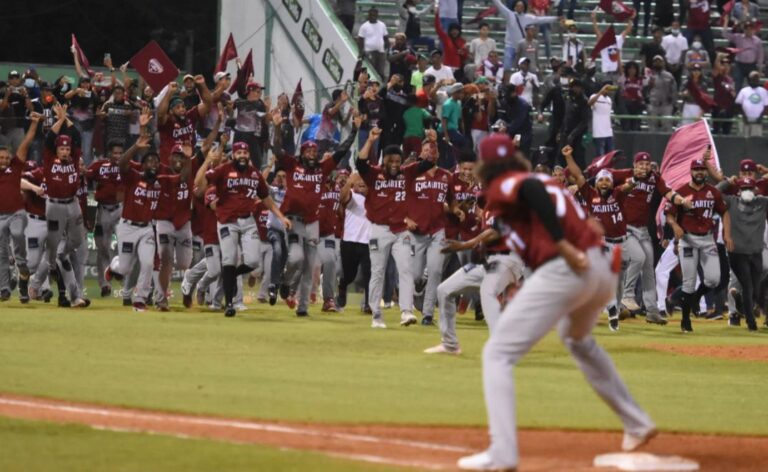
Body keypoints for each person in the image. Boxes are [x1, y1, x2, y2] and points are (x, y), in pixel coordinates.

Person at [456, 133, 657, 471]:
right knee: (577, 340)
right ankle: (636, 422)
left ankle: (502, 453)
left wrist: (562, 245)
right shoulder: (546, 181)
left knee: (497, 353)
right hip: (599, 266)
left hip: (566, 267)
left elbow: (531, 198)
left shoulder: (509, 183)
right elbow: (576, 218)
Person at [271, 112, 360, 316]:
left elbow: (341, 150)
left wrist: (354, 130)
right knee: (296, 258)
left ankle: (302, 308)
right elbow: (277, 149)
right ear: (302, 153)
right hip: (293, 220)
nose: (312, 153)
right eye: (308, 150)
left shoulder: (322, 169)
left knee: (309, 265)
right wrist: (276, 128)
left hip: (312, 223)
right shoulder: (293, 165)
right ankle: (285, 282)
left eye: (314, 150)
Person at [194, 141, 290, 317]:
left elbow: (266, 198)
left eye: (245, 153)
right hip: (227, 221)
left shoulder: (254, 174)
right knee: (229, 260)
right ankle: (229, 303)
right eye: (239, 153)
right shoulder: (223, 169)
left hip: (248, 221)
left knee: (253, 263)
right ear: (233, 156)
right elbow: (199, 184)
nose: (243, 156)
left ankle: (228, 277)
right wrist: (207, 161)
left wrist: (281, 216)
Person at [356, 128, 431, 328]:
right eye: (392, 161)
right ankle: (376, 314)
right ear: (385, 161)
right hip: (379, 230)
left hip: (401, 231)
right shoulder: (373, 174)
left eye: (398, 161)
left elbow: (429, 162)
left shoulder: (407, 173)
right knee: (378, 271)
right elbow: (360, 162)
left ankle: (406, 311)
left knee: (405, 269)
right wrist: (370, 141)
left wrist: (432, 143)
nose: (396, 165)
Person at [611, 152, 691, 324]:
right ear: (634, 165)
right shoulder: (625, 174)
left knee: (649, 270)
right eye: (640, 164)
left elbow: (668, 192)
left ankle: (652, 311)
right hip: (625, 228)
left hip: (643, 230)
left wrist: (681, 200)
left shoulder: (654, 178)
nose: (644, 167)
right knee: (638, 258)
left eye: (647, 164)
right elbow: (603, 178)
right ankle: (627, 296)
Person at [564, 147, 635, 331]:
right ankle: (611, 309)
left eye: (607, 180)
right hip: (602, 242)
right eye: (601, 180)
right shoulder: (590, 194)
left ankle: (613, 306)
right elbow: (578, 175)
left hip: (621, 243)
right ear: (596, 183)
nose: (604, 183)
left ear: (611, 184)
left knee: (618, 280)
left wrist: (635, 179)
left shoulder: (617, 194)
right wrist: (568, 156)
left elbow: (629, 185)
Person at [666, 157, 731, 333]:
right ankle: (685, 320)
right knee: (689, 282)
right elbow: (669, 214)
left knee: (713, 279)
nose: (700, 172)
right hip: (687, 239)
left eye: (702, 169)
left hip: (707, 239)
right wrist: (675, 225)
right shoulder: (680, 191)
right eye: (696, 169)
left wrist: (727, 234)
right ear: (691, 171)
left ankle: (695, 298)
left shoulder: (713, 192)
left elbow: (725, 212)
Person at [403, 139, 457, 326]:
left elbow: (451, 200)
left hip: (437, 231)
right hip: (417, 232)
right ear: (420, 153)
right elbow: (398, 199)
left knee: (435, 271)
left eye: (432, 150)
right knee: (417, 275)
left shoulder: (446, 176)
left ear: (438, 154)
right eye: (425, 150)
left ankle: (427, 314)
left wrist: (457, 209)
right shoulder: (411, 173)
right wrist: (405, 219)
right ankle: (418, 289)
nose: (429, 153)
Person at [43, 104, 89, 308]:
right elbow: (47, 139)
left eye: (67, 148)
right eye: (61, 148)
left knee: (77, 241)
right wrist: (60, 120)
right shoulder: (48, 159)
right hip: (53, 206)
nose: (64, 151)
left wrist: (66, 117)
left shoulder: (74, 159)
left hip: (72, 205)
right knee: (53, 250)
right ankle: (72, 295)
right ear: (56, 149)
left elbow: (77, 136)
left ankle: (44, 278)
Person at [716, 177, 768, 331]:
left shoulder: (763, 202)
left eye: (750, 188)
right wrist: (727, 182)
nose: (747, 191)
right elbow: (712, 192)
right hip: (737, 253)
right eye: (744, 188)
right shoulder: (731, 201)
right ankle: (751, 323)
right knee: (748, 285)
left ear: (756, 190)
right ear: (738, 190)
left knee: (756, 288)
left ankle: (741, 305)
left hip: (756, 252)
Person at [0, 112, 38, 303]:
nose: (5, 160)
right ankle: (4, 289)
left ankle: (22, 266)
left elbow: (26, 143)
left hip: (16, 213)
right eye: (1, 157)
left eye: (7, 157)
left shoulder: (15, 167)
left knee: (16, 235)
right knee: (1, 253)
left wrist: (34, 123)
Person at [86, 140, 124, 297]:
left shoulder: (127, 165)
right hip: (103, 210)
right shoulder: (99, 166)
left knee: (125, 244)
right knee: (103, 248)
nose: (118, 156)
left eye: (120, 153)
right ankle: (104, 284)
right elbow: (86, 177)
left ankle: (122, 275)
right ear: (109, 154)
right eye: (115, 153)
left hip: (121, 208)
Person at [491, 0, 559, 72]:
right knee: (507, 66)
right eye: (518, 6)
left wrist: (556, 18)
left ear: (524, 8)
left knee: (525, 68)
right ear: (514, 7)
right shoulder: (509, 14)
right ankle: (505, 82)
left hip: (522, 47)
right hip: (510, 46)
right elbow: (499, 4)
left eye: (521, 6)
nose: (519, 8)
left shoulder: (528, 18)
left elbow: (541, 19)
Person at [156, 77, 212, 165]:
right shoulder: (167, 121)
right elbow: (160, 115)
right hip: (169, 165)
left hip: (187, 163)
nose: (182, 109)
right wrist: (169, 93)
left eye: (183, 106)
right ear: (170, 111)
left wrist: (202, 85)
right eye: (177, 107)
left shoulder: (189, 116)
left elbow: (208, 104)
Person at [337, 173, 372, 314]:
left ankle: (368, 304)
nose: (362, 182)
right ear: (354, 184)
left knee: (369, 274)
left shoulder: (374, 198)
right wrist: (349, 182)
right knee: (349, 274)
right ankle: (343, 286)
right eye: (359, 180)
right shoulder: (351, 194)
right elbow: (341, 198)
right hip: (350, 240)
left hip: (368, 242)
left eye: (365, 181)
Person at [317, 172, 343, 312]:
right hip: (309, 229)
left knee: (330, 261)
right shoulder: (313, 183)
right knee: (302, 263)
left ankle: (328, 299)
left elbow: (340, 209)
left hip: (327, 233)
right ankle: (290, 289)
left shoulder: (337, 188)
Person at [232, 81, 271, 167]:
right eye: (258, 91)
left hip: (254, 136)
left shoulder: (260, 104)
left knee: (257, 162)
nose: (260, 94)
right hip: (240, 134)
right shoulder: (239, 101)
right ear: (250, 91)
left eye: (260, 92)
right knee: (236, 159)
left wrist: (267, 109)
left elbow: (265, 121)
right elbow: (229, 111)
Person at [591, 11, 634, 82]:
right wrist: (593, 19)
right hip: (606, 72)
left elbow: (628, 29)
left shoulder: (619, 39)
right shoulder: (603, 41)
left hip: (617, 72)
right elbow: (596, 31)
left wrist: (630, 18)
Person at [723, 19, 764, 91]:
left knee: (754, 86)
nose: (748, 31)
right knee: (737, 85)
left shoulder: (758, 41)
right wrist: (726, 22)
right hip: (739, 65)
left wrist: (760, 69)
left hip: (752, 65)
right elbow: (724, 34)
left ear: (754, 30)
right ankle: (737, 101)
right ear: (744, 29)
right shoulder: (738, 37)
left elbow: (760, 56)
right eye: (747, 29)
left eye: (750, 29)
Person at [558, 78, 589, 168]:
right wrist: (560, 132)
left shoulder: (583, 101)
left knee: (578, 159)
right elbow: (565, 117)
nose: (573, 89)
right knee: (561, 157)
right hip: (565, 134)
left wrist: (573, 134)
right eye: (572, 87)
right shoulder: (569, 100)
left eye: (576, 87)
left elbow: (584, 121)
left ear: (580, 88)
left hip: (577, 136)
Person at [645, 55, 678, 132]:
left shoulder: (669, 76)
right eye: (656, 61)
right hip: (653, 104)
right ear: (653, 63)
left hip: (666, 104)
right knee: (652, 127)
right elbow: (644, 90)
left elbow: (674, 90)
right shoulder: (649, 75)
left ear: (663, 63)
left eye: (660, 61)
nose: (658, 63)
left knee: (667, 126)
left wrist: (674, 103)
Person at [357, 8, 389, 78]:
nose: (373, 16)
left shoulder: (382, 25)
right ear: (369, 15)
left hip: (380, 51)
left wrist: (386, 48)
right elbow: (360, 39)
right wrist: (361, 51)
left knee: (380, 71)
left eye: (374, 15)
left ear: (377, 15)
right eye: (371, 15)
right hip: (369, 51)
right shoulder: (364, 26)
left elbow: (386, 37)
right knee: (371, 70)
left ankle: (379, 85)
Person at [735, 71, 768, 137]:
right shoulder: (744, 90)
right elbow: (738, 104)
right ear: (749, 79)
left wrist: (760, 117)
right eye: (753, 79)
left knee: (756, 141)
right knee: (743, 141)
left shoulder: (764, 91)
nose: (754, 80)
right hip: (745, 120)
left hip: (757, 120)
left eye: (756, 79)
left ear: (758, 80)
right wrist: (744, 116)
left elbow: (766, 106)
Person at [712, 54, 737, 135]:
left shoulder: (731, 79)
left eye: (727, 65)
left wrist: (733, 93)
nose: (726, 67)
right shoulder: (718, 76)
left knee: (726, 132)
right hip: (718, 107)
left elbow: (733, 93)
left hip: (728, 108)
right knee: (715, 131)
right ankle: (710, 147)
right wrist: (718, 57)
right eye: (723, 65)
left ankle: (726, 147)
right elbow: (716, 67)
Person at [588, 83, 615, 157]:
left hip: (608, 132)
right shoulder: (594, 96)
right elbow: (589, 103)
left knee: (610, 157)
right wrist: (600, 92)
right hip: (598, 133)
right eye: (606, 89)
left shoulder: (609, 99)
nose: (608, 91)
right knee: (600, 157)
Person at [618, 61, 645, 131]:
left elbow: (642, 92)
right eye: (630, 68)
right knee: (626, 123)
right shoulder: (623, 79)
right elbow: (621, 91)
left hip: (637, 104)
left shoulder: (640, 80)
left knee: (636, 125)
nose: (632, 70)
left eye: (634, 68)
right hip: (626, 104)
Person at [661, 21, 688, 85]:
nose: (675, 27)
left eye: (677, 25)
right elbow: (663, 51)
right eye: (674, 25)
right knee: (666, 83)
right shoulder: (665, 38)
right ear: (671, 27)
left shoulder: (683, 39)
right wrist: (667, 64)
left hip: (678, 65)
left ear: (679, 27)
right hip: (668, 64)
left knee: (677, 83)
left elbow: (683, 52)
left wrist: (679, 64)